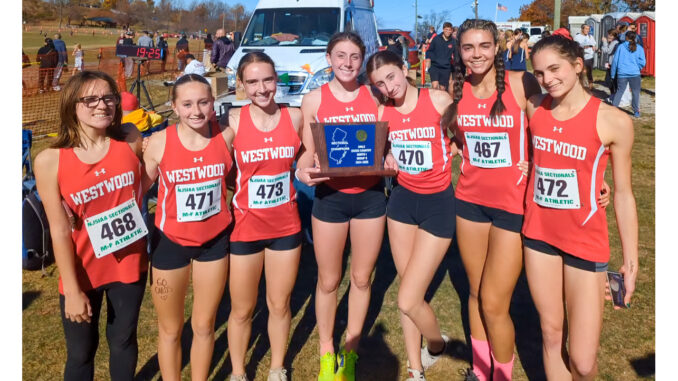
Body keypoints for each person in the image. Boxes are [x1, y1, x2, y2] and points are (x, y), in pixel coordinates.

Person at [525, 34, 638, 381]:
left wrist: (631, 262)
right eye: (540, 72)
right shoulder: (534, 107)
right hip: (539, 236)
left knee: (584, 362)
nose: (547, 79)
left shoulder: (614, 121)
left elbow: (623, 194)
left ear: (577, 65)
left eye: (555, 68)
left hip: (585, 241)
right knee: (550, 334)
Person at [34, 70, 148, 381]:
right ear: (72, 105)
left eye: (108, 97)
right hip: (82, 268)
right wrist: (70, 288)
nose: (102, 105)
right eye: (91, 99)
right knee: (82, 353)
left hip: (129, 264)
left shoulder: (131, 140)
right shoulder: (50, 160)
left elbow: (146, 181)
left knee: (123, 341)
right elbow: (58, 228)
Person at [442, 19, 540, 381]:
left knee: (495, 302)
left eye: (484, 46)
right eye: (468, 47)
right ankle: (481, 371)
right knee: (475, 292)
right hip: (469, 202)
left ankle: (503, 375)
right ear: (459, 51)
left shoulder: (520, 83)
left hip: (512, 206)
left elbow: (548, 126)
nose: (476, 54)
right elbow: (455, 135)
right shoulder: (456, 87)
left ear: (497, 46)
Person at [296, 32, 386, 381]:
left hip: (370, 199)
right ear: (328, 57)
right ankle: (326, 350)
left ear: (362, 60)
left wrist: (389, 154)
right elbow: (308, 150)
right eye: (340, 56)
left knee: (362, 279)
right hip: (330, 199)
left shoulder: (375, 96)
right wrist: (303, 171)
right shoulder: (314, 100)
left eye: (354, 57)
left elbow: (386, 143)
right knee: (329, 280)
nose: (347, 63)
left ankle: (350, 352)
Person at [367, 49, 454, 381]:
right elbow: (381, 151)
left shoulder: (437, 100)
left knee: (407, 298)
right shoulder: (382, 112)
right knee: (409, 291)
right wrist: (386, 156)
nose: (389, 87)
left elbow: (471, 137)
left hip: (437, 205)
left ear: (405, 69)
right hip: (401, 204)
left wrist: (524, 162)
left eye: (391, 76)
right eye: (380, 84)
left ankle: (435, 346)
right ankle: (415, 369)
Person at [142, 74, 232, 381]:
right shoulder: (158, 141)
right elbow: (135, 189)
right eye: (187, 104)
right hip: (170, 243)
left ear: (212, 103)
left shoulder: (226, 136)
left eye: (204, 102)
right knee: (170, 329)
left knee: (205, 325)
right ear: (174, 106)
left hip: (214, 241)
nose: (196, 111)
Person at [225, 52, 303, 381]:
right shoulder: (233, 120)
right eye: (253, 81)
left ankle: (276, 368)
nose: (262, 88)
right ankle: (239, 372)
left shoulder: (296, 117)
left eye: (268, 79)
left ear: (277, 80)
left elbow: (312, 158)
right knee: (242, 309)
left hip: (286, 226)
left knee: (279, 304)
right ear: (241, 85)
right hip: (245, 227)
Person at [611, 31, 646, 118]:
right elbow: (643, 62)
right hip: (635, 73)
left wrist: (612, 74)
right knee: (635, 93)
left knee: (620, 91)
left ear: (626, 37)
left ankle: (613, 109)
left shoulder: (620, 47)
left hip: (622, 73)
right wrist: (638, 67)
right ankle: (636, 111)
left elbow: (615, 61)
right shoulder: (639, 48)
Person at [425, 22, 460, 91]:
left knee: (442, 89)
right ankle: (434, 101)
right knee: (435, 87)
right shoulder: (436, 39)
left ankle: (441, 101)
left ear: (451, 31)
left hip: (446, 68)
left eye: (449, 30)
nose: (448, 31)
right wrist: (428, 59)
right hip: (435, 66)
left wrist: (457, 65)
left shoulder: (453, 42)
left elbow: (456, 55)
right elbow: (429, 51)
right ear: (443, 29)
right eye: (446, 29)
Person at [573, 24, 597, 90]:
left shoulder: (590, 36)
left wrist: (594, 47)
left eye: (588, 29)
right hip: (582, 57)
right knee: (581, 72)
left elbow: (594, 44)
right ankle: (580, 85)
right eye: (586, 29)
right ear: (582, 29)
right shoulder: (577, 37)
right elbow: (576, 46)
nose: (587, 30)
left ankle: (591, 86)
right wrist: (583, 47)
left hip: (590, 57)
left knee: (589, 72)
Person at [601, 29, 620, 100]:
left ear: (614, 36)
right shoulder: (613, 42)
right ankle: (613, 95)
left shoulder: (615, 42)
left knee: (611, 80)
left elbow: (608, 51)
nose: (608, 36)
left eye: (611, 35)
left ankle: (613, 95)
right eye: (608, 34)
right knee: (610, 80)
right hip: (611, 63)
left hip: (613, 64)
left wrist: (604, 42)